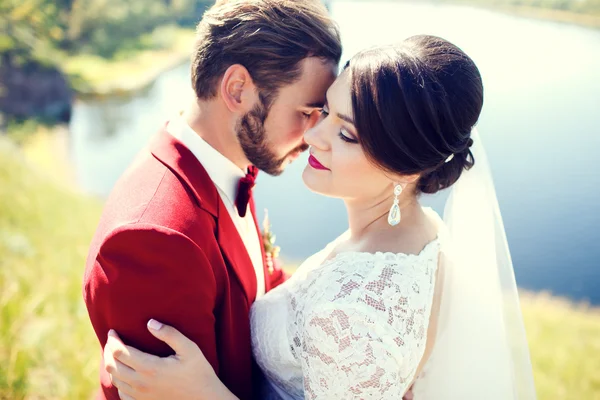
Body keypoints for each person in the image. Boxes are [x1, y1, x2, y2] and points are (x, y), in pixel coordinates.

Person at [102, 35, 538, 399]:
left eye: (346, 133)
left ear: (405, 167)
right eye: (325, 111)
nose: (312, 135)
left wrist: (205, 393)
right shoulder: (424, 237)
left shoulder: (351, 318)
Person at [82, 1, 342, 399]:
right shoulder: (152, 241)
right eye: (307, 112)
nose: (314, 135)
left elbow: (256, 290)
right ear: (238, 89)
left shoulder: (230, 164)